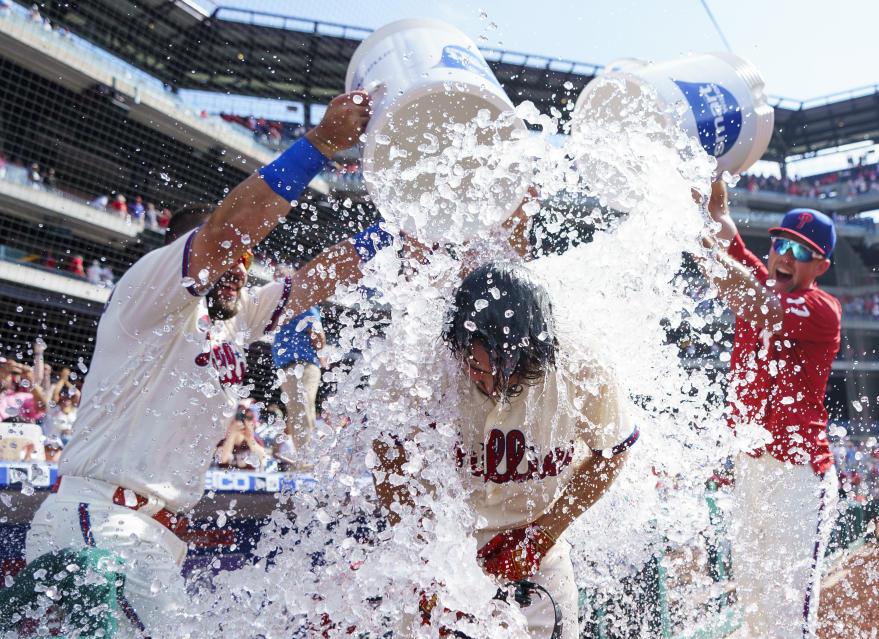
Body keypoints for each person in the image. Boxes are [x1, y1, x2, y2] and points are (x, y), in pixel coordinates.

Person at [21, 90, 373, 638]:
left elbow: (313, 280)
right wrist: (323, 145)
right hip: (103, 524)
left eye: (246, 259)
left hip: (143, 532)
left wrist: (399, 234)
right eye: (227, 255)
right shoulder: (151, 289)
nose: (238, 264)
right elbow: (229, 231)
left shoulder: (233, 319)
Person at [373, 262, 638, 639]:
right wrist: (423, 556)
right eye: (478, 368)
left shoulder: (583, 364)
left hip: (540, 543)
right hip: (443, 545)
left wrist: (544, 533)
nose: (492, 383)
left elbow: (611, 454)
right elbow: (387, 455)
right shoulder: (423, 365)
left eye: (509, 370)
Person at [700, 182, 841, 639]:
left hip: (798, 477)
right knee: (755, 609)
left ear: (820, 266)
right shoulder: (760, 280)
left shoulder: (822, 308)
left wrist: (699, 247)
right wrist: (708, 174)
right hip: (751, 468)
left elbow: (751, 303)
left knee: (785, 618)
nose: (783, 256)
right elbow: (719, 221)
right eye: (780, 243)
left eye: (800, 251)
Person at [271, 304, 327, 458]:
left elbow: (318, 333)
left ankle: (307, 461)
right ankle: (303, 458)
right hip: (292, 368)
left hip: (302, 366)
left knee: (302, 410)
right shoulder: (288, 307)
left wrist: (322, 356)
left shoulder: (305, 305)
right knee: (296, 413)